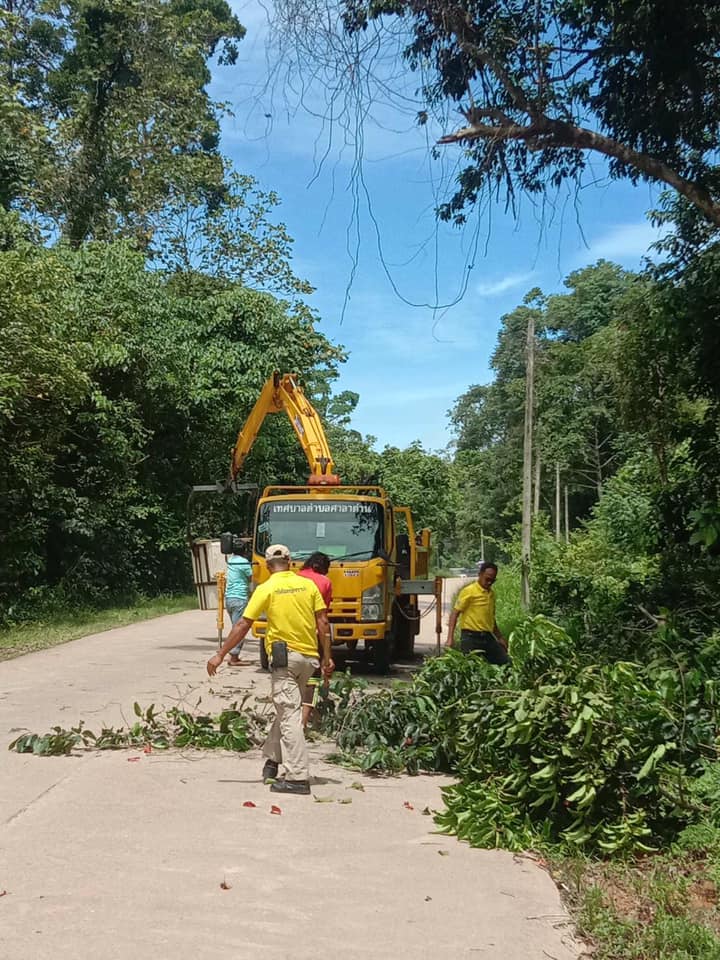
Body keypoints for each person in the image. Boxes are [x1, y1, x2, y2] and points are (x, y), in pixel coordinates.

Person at [206, 544, 334, 796]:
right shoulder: (308, 586)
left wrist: (221, 654)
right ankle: (272, 762)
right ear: (290, 561)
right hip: (309, 660)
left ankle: (297, 777)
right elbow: (323, 622)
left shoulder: (266, 588)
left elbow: (243, 623)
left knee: (289, 715)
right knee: (288, 707)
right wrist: (327, 658)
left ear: (266, 565)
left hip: (285, 661)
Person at [445, 561, 509, 664]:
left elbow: (491, 619)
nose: (489, 583)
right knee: (471, 667)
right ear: (480, 575)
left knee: (505, 663)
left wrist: (500, 637)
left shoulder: (491, 594)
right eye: (487, 579)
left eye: (492, 581)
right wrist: (450, 638)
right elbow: (455, 614)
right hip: (471, 637)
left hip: (487, 637)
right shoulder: (469, 591)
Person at [298, 553, 333, 728]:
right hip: (311, 636)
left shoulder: (293, 578)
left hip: (288, 636)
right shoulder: (324, 582)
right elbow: (323, 620)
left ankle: (290, 719)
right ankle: (303, 721)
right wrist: (327, 656)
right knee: (312, 679)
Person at [225, 538, 252, 666]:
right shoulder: (244, 562)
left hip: (229, 599)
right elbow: (251, 577)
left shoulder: (230, 561)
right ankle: (233, 657)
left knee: (235, 627)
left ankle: (234, 654)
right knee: (240, 628)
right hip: (240, 598)